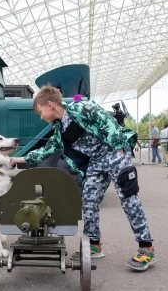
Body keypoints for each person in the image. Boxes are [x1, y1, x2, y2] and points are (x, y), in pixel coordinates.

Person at [10, 86, 155, 271]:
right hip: (96, 161)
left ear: (49, 105)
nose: (41, 117)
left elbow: (106, 120)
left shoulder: (80, 108)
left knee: (129, 199)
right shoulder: (60, 129)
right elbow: (46, 151)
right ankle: (94, 245)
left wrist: (119, 148)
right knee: (88, 201)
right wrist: (17, 159)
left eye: (40, 112)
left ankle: (146, 248)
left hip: (113, 153)